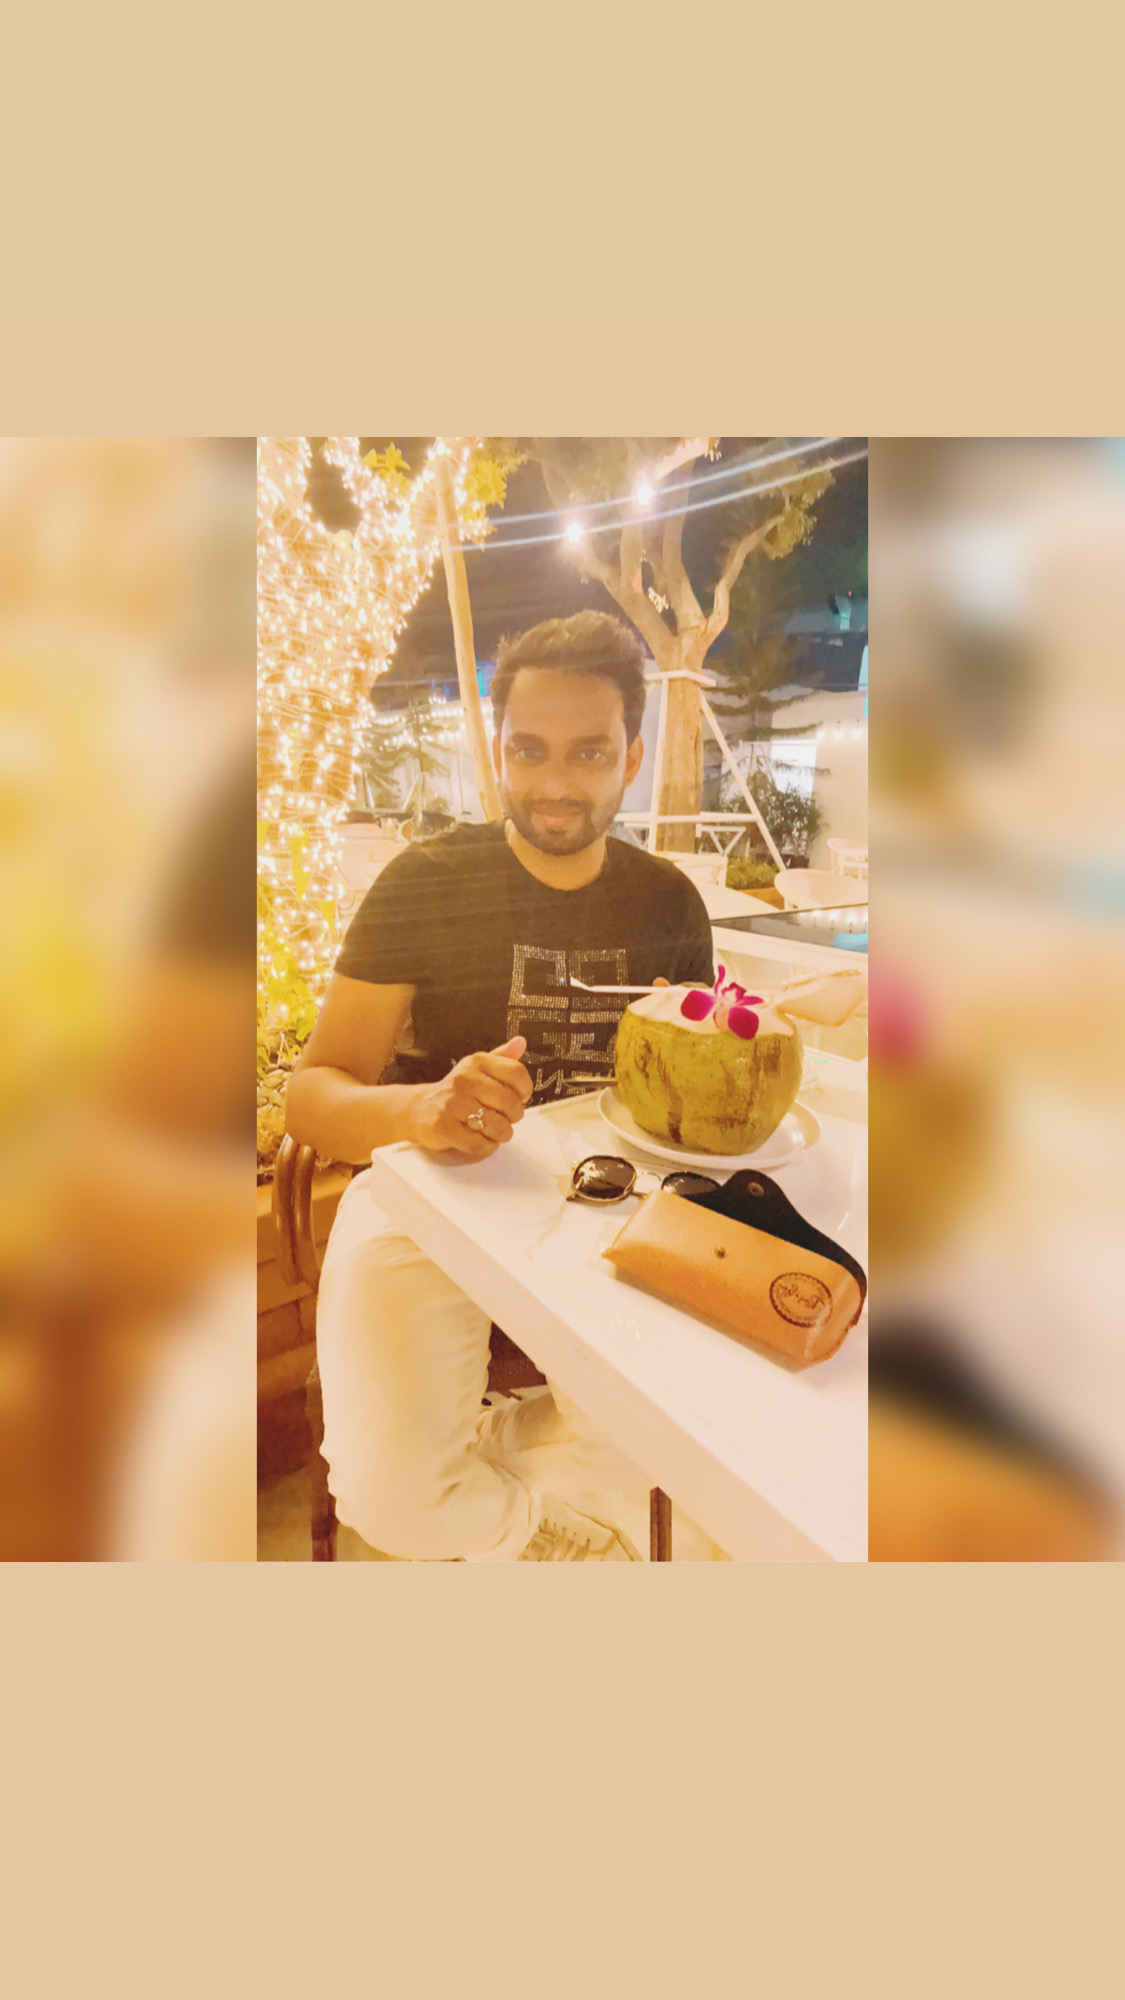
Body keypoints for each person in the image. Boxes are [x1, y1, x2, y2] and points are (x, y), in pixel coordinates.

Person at [286, 612, 715, 1559]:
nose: (553, 783)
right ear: (497, 751)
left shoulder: (669, 904)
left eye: (588, 752)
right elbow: (311, 1094)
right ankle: (561, 1534)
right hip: (422, 1190)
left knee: (687, 1471)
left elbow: (685, 1095)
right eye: (528, 750)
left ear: (631, 756)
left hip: (612, 1210)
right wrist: (419, 1109)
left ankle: (503, 1462)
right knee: (388, 1495)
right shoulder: (423, 881)